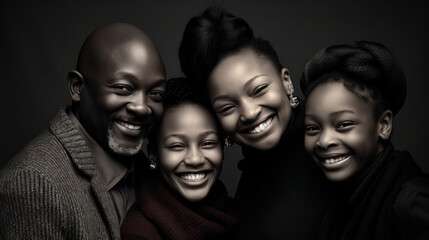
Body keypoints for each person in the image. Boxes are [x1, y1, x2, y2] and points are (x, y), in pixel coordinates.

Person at [0, 23, 166, 239]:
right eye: (123, 88)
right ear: (77, 87)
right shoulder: (32, 185)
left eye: (156, 94)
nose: (142, 107)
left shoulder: (148, 171)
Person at [179, 7, 331, 239]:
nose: (249, 113)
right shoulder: (252, 174)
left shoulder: (329, 148)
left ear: (286, 82)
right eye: (227, 107)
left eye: (259, 89)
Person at [300, 40, 429, 240]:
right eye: (312, 128)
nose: (324, 141)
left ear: (383, 125)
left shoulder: (412, 203)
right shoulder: (333, 197)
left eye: (343, 124)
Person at [120, 77, 236, 240]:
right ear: (153, 155)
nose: (195, 159)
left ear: (222, 148)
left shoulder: (239, 212)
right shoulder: (139, 232)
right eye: (177, 146)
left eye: (208, 143)